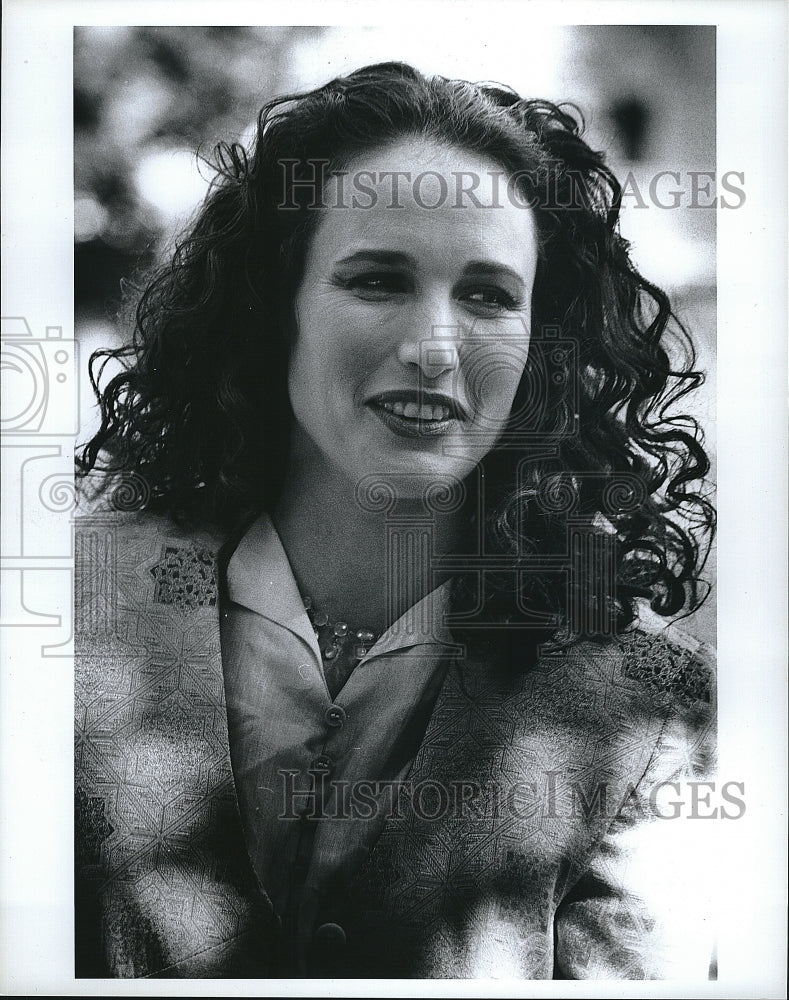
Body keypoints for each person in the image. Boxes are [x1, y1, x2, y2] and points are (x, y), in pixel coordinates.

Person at [74, 61, 717, 979]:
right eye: (377, 279)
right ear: (276, 305)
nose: (432, 347)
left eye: (489, 295)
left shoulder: (645, 708)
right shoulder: (56, 613)